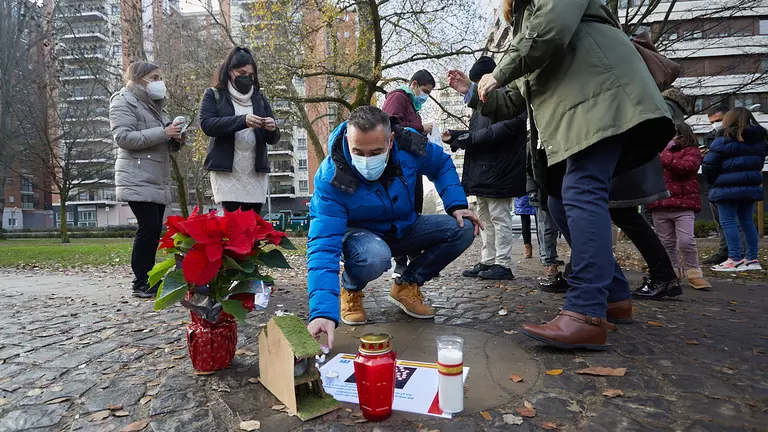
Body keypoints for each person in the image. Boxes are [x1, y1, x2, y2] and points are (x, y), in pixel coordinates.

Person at [463, 0, 675, 350]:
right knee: (559, 201)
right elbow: (514, 98)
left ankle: (586, 311)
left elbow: (549, 32)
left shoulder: (538, 25)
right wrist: (473, 93)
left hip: (599, 95)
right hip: (576, 111)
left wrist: (499, 72)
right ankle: (614, 295)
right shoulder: (525, 26)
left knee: (580, 189)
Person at [305, 106, 481, 347]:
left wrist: (456, 204)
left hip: (404, 227)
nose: (366, 161)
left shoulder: (410, 146)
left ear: (391, 141)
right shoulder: (330, 178)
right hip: (361, 238)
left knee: (463, 228)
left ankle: (406, 285)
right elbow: (323, 246)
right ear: (348, 140)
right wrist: (322, 312)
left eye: (376, 151)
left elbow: (441, 164)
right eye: (358, 152)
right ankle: (351, 288)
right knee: (375, 256)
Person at [443, 56, 526, 281]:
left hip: (500, 170)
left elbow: (501, 131)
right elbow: (481, 133)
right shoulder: (482, 103)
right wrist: (457, 136)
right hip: (484, 171)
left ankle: (502, 263)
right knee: (485, 218)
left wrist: (466, 138)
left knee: (499, 218)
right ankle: (488, 260)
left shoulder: (512, 99)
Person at [110, 61, 181, 298]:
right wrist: (163, 132)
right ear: (140, 78)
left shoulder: (154, 105)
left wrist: (175, 138)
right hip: (136, 174)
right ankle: (141, 281)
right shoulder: (123, 101)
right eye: (155, 77)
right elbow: (123, 138)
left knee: (153, 228)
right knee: (148, 227)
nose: (159, 82)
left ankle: (148, 278)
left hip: (155, 175)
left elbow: (160, 139)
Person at [199, 47, 280, 214]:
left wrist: (272, 128)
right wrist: (242, 121)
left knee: (252, 228)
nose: (247, 78)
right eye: (241, 72)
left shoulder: (260, 98)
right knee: (231, 227)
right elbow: (207, 125)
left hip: (255, 173)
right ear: (229, 70)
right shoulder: (213, 95)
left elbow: (272, 138)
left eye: (251, 75)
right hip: (227, 173)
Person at [382, 70, 437, 277]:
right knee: (402, 211)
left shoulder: (412, 105)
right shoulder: (398, 97)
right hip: (399, 167)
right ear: (414, 84)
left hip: (412, 167)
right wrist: (420, 127)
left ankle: (414, 256)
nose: (425, 96)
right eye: (424, 91)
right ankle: (400, 260)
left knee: (414, 210)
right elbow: (390, 125)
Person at [647, 122, 711, 289]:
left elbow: (686, 167)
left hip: (683, 204)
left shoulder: (691, 151)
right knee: (666, 242)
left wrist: (663, 153)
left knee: (686, 240)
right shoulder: (654, 153)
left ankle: (694, 272)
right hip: (659, 204)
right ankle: (672, 272)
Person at [703, 107, 766, 272]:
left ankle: (734, 259)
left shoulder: (722, 140)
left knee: (728, 221)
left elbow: (709, 165)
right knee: (747, 222)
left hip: (725, 187)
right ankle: (751, 258)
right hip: (750, 187)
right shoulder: (759, 141)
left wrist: (712, 183)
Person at [702, 104, 745, 265]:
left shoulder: (739, 136)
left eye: (718, 120)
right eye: (712, 121)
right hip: (715, 185)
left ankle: (738, 254)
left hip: (731, 184)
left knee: (736, 221)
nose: (715, 124)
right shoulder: (710, 136)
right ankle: (724, 252)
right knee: (721, 222)